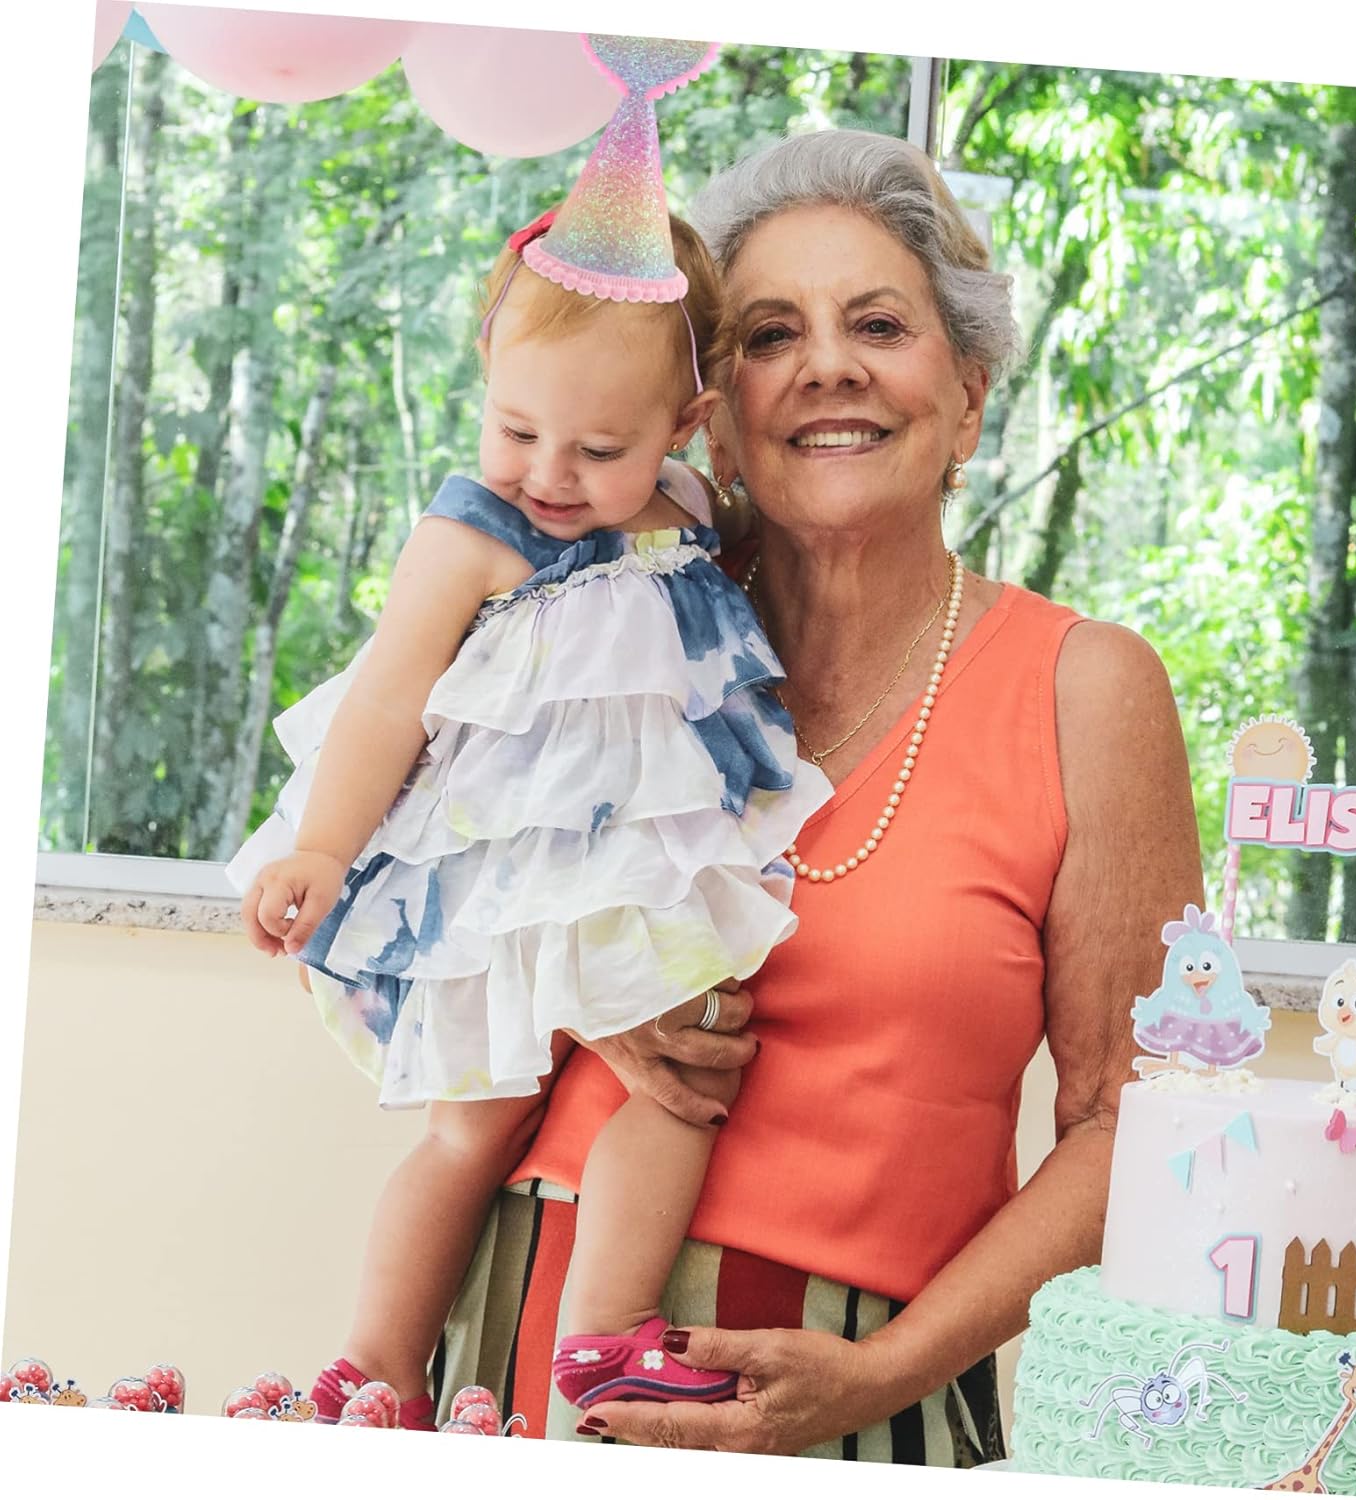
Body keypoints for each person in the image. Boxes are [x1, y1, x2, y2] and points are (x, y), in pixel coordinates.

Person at [434, 127, 1205, 1463]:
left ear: (968, 398)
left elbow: (1129, 1121)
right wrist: (580, 981)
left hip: (860, 1391)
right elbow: (407, 906)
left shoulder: (1089, 689)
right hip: (521, 1343)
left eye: (879, 325)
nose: (827, 365)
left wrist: (883, 1372)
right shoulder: (601, 613)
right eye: (771, 334)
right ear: (710, 413)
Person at [227, 41, 830, 1429]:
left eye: (599, 450)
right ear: (486, 377)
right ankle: (376, 1357)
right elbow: (388, 697)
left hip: (629, 863)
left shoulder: (690, 511)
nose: (550, 475)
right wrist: (323, 849)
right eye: (517, 430)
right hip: (502, 878)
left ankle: (603, 1337)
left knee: (686, 1078)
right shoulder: (469, 534)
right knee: (474, 1122)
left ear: (684, 427)